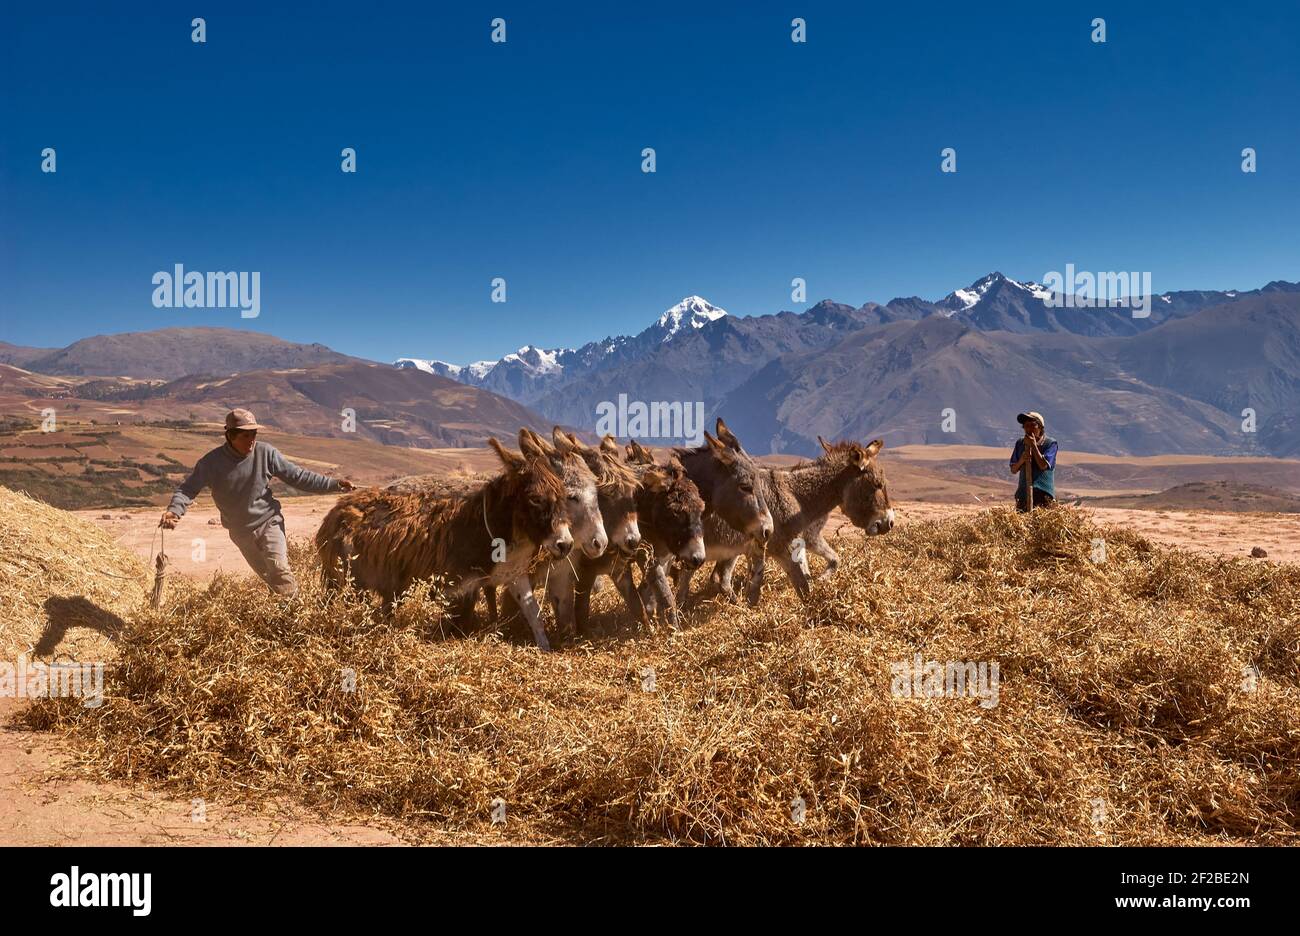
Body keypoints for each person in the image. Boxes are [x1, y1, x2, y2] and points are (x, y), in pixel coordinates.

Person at [160, 408, 355, 597]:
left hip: (269, 522)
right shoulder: (211, 463)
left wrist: (334, 484)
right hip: (240, 533)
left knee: (279, 571)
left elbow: (299, 477)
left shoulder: (266, 453)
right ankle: (278, 620)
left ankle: (296, 614)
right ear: (230, 436)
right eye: (245, 435)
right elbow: (187, 489)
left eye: (253, 434)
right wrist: (174, 511)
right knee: (269, 578)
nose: (251, 440)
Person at [1009, 410, 1057, 512]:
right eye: (1026, 426)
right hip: (1023, 493)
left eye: (1032, 425)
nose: (1029, 429)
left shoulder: (1050, 444)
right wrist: (1022, 459)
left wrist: (1033, 446)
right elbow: (1013, 469)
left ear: (1040, 427)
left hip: (1043, 494)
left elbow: (1043, 465)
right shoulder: (1020, 443)